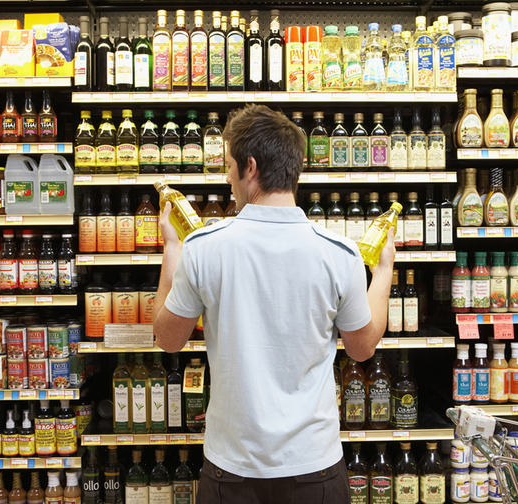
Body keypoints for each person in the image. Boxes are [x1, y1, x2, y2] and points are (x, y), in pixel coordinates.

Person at [153, 104, 395, 504]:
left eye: (229, 166)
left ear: (250, 167)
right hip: (314, 466)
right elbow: (362, 347)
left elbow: (167, 338)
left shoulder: (203, 248)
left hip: (231, 469)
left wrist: (172, 247)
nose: (227, 177)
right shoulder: (340, 253)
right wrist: (383, 270)